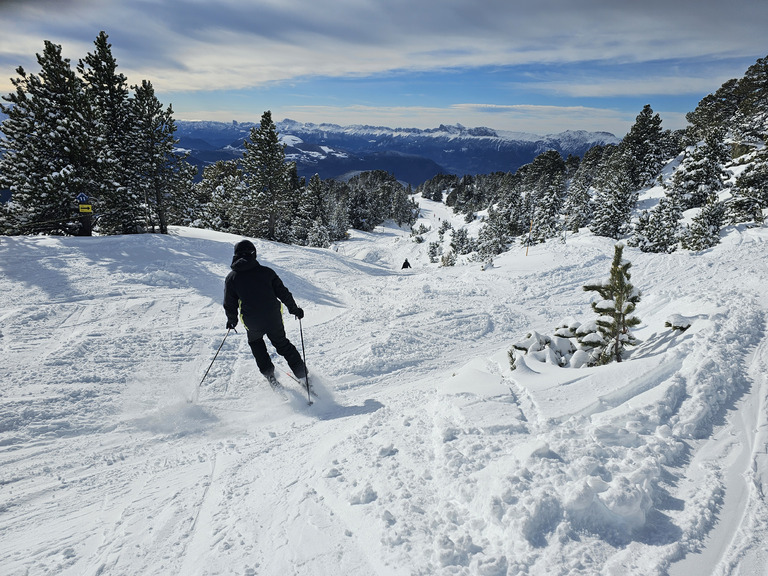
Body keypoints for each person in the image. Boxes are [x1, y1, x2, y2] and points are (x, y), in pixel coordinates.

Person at [223, 239, 307, 383]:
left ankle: (269, 375)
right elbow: (283, 293)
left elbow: (229, 302)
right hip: (273, 318)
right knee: (283, 345)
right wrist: (294, 309)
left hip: (251, 321)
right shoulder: (267, 272)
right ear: (254, 254)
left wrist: (232, 320)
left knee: (256, 345)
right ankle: (303, 375)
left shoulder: (232, 278)